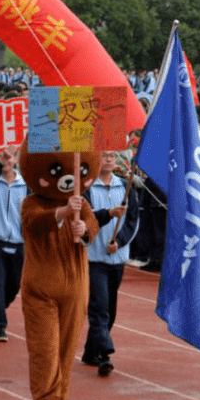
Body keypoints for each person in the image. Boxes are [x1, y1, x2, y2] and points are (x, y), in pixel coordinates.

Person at [82, 150, 138, 377]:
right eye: (104, 155)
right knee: (100, 306)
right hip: (94, 258)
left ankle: (90, 352)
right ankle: (105, 354)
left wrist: (120, 241)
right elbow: (86, 218)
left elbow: (133, 220)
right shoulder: (86, 188)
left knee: (110, 309)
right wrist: (108, 213)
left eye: (112, 156)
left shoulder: (125, 186)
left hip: (117, 258)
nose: (108, 159)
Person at [0, 145, 27, 343]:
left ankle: (1, 305)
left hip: (18, 242)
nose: (7, 161)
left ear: (17, 160)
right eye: (3, 157)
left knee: (13, 285)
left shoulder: (25, 184)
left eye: (11, 158)